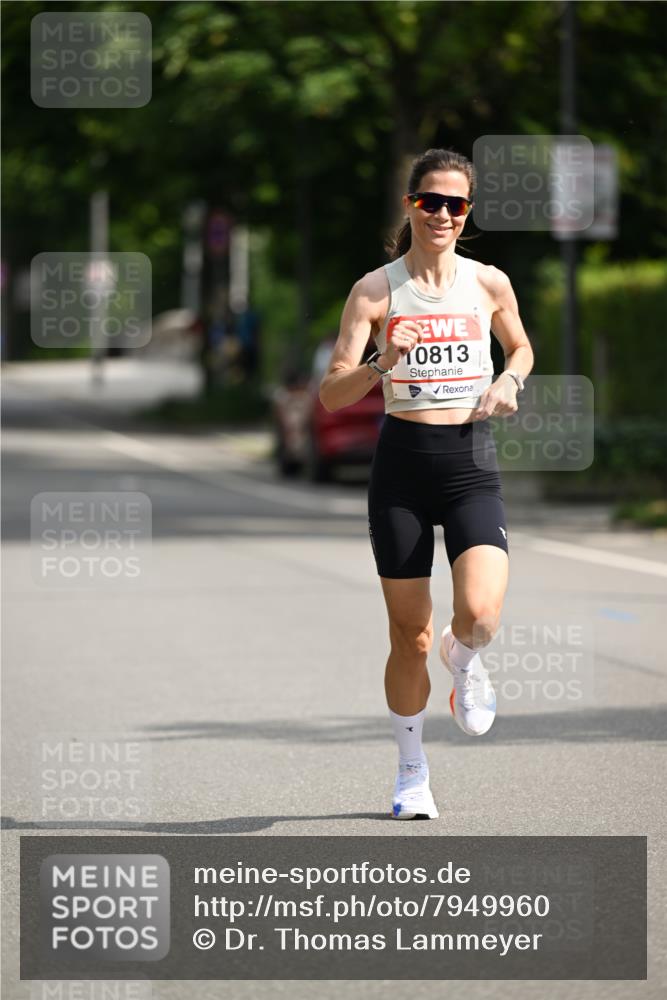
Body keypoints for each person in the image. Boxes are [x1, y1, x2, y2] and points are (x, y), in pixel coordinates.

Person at [319, 148, 534, 819]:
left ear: (465, 213)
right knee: (408, 636)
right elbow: (330, 393)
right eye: (429, 201)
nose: (441, 213)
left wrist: (509, 380)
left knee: (480, 616)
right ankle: (412, 772)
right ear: (409, 205)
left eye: (455, 204)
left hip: (469, 462)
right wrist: (382, 361)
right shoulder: (374, 292)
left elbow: (521, 347)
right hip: (402, 468)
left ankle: (463, 660)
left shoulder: (488, 283)